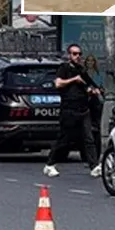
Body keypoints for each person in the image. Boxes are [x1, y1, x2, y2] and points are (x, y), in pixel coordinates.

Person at [42, 43, 102, 179]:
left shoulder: (81, 70)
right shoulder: (64, 68)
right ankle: (50, 164)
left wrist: (93, 91)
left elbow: (90, 85)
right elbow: (58, 83)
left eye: (80, 54)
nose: (78, 56)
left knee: (89, 139)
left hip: (83, 110)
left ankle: (94, 166)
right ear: (69, 55)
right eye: (75, 54)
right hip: (69, 110)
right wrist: (74, 80)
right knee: (64, 139)